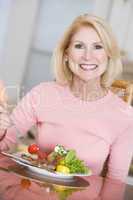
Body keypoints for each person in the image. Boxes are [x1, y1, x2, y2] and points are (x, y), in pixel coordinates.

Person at [0, 14, 133, 182]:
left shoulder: (125, 116)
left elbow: (115, 183)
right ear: (66, 54)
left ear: (109, 55)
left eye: (98, 47)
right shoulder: (42, 94)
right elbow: (5, 145)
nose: (87, 56)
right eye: (79, 46)